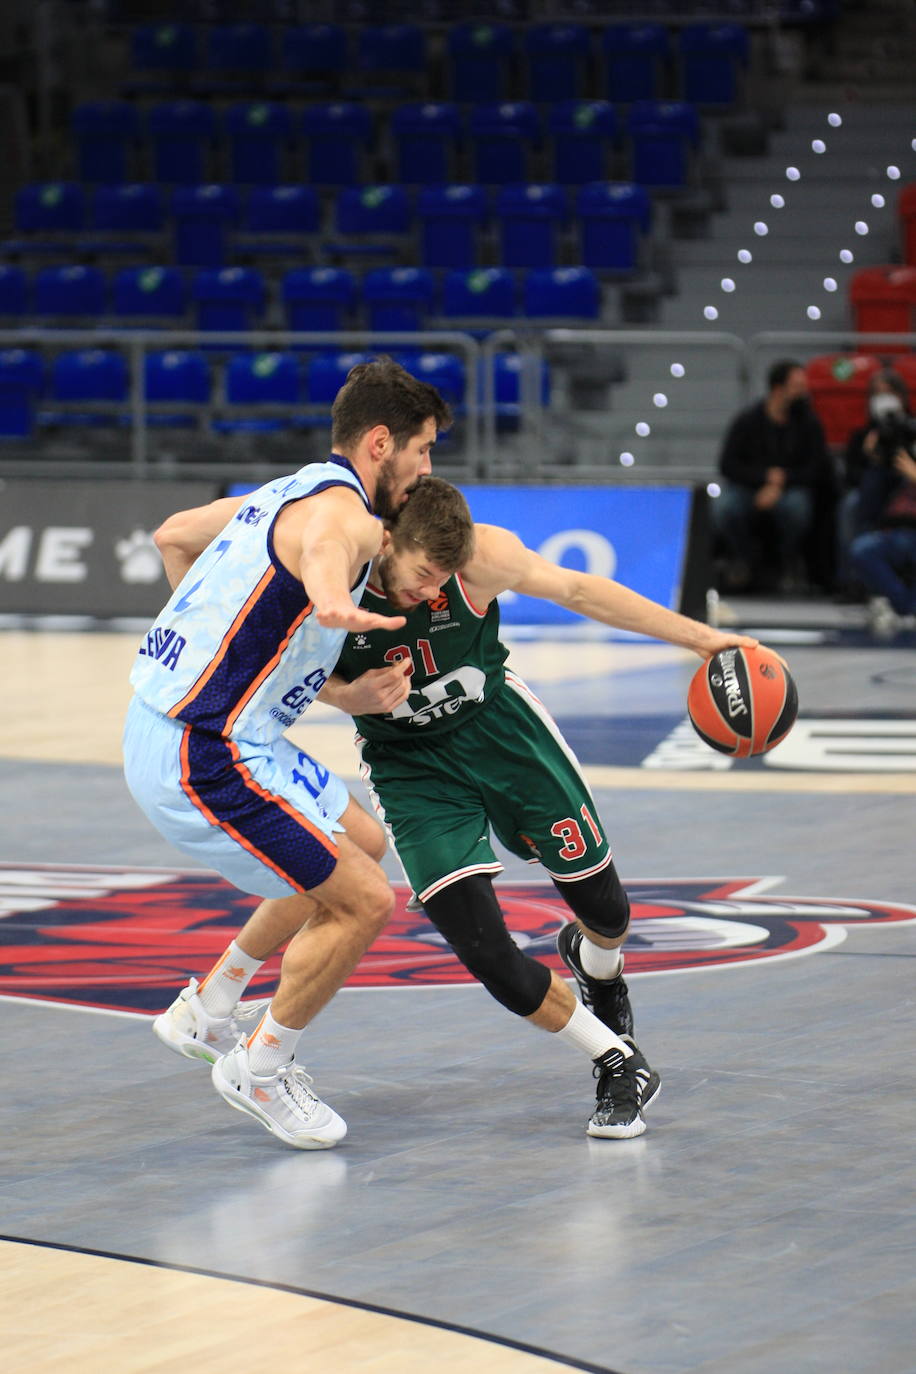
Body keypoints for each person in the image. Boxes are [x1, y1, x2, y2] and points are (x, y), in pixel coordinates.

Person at [225, 476, 757, 1141]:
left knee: (607, 912)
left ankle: (599, 968)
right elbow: (266, 668)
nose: (429, 590)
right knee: (483, 948)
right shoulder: (337, 574)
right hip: (411, 769)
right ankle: (618, 1062)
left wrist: (704, 641)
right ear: (390, 542)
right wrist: (347, 697)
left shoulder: (481, 558)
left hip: (504, 736)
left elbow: (582, 591)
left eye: (442, 578)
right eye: (421, 575)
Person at [124, 358, 452, 1150]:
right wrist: (335, 599)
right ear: (382, 443)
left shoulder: (292, 487)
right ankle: (260, 1067)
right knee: (367, 899)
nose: (428, 468)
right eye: (424, 450)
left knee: (362, 845)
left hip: (223, 728)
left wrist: (230, 655)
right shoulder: (350, 521)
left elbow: (174, 536)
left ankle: (210, 1005)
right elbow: (327, 557)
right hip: (202, 754)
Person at [712, 358, 834, 594]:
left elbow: (816, 468)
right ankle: (744, 561)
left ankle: (787, 562)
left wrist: (781, 481)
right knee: (725, 507)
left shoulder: (809, 423)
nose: (804, 392)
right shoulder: (748, 420)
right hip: (751, 486)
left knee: (796, 508)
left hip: (793, 486)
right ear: (779, 389)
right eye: (798, 386)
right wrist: (764, 478)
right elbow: (728, 465)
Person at [846, 371, 916, 635]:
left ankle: (906, 606)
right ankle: (907, 606)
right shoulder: (874, 437)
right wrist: (875, 462)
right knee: (862, 549)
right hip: (896, 527)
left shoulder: (910, 431)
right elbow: (869, 502)